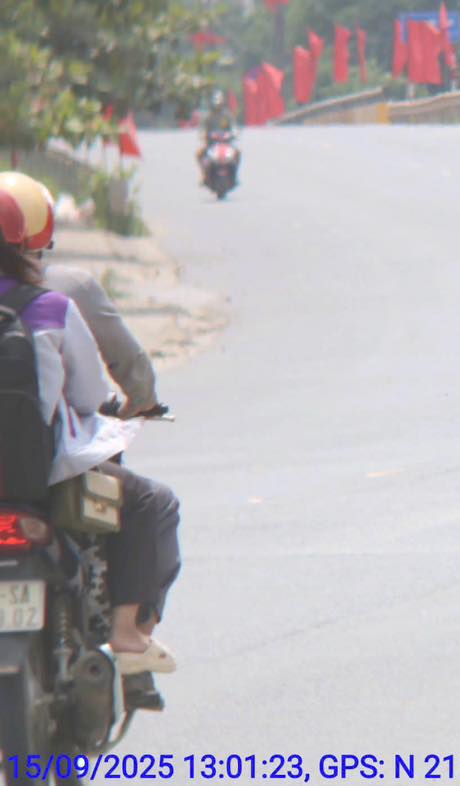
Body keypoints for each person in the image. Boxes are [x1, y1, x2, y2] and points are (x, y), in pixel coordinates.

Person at [0, 173, 180, 675]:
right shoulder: (54, 304)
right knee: (152, 502)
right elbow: (87, 395)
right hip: (41, 474)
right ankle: (126, 635)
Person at [196, 90, 239, 185]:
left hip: (225, 143)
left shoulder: (227, 115)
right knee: (199, 154)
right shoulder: (208, 116)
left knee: (237, 153)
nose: (218, 106)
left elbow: (233, 126)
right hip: (211, 144)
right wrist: (202, 134)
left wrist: (235, 133)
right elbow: (202, 127)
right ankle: (204, 174)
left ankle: (235, 176)